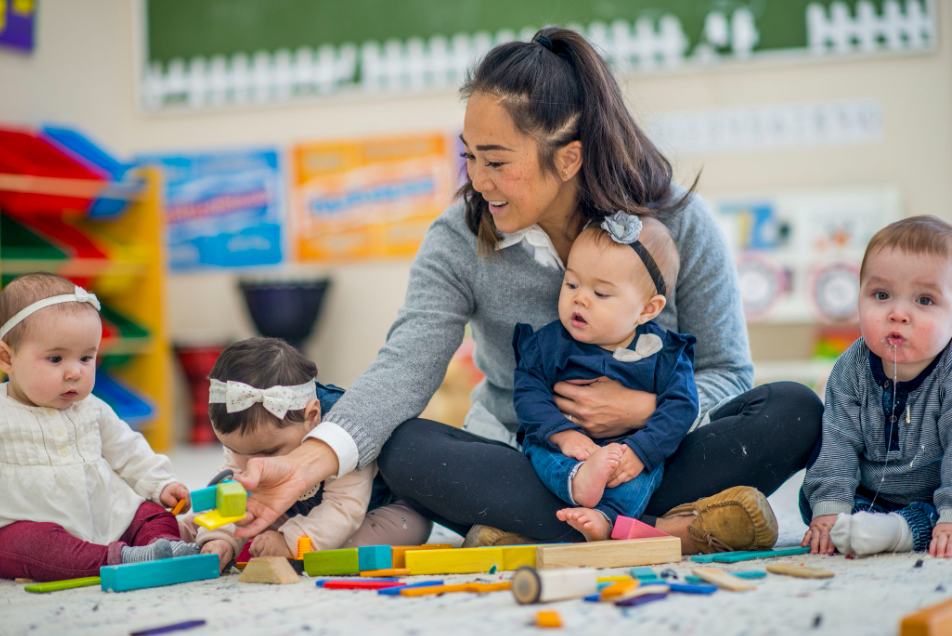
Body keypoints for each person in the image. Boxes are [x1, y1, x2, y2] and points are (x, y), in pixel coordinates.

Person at [231, 27, 822, 555]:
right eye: (470, 159)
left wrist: (645, 418)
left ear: (568, 159)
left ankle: (548, 530)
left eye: (496, 162)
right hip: (529, 460)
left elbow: (728, 372)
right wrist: (312, 459)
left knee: (794, 409)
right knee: (406, 448)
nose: (478, 181)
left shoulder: (679, 223)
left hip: (657, 454)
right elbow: (404, 365)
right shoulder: (459, 237)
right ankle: (668, 531)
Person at [0, 273, 198, 582]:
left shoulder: (92, 407)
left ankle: (162, 547)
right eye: (55, 358)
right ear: (6, 358)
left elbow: (128, 450)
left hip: (105, 513)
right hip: (32, 523)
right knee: (21, 546)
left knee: (150, 512)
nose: (75, 372)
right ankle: (121, 558)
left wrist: (160, 484)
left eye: (86, 357)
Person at [515, 214, 698, 541]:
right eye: (571, 284)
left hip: (628, 449)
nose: (579, 298)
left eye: (600, 293)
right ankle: (577, 482)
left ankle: (606, 519)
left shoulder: (664, 354)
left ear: (647, 310)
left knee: (643, 476)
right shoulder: (549, 345)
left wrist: (641, 450)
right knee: (538, 451)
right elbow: (529, 393)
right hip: (563, 447)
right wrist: (563, 435)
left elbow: (682, 407)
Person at [196, 338, 432, 572]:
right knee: (224, 521)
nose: (253, 464)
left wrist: (291, 541)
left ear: (312, 417)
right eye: (235, 450)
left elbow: (344, 508)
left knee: (385, 533)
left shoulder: (344, 430)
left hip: (374, 509)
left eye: (268, 452)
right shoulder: (253, 445)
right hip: (297, 511)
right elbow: (232, 493)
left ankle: (298, 546)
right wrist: (220, 536)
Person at [801, 216, 952, 558]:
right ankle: (862, 524)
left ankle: (900, 530)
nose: (898, 313)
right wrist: (830, 507)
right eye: (881, 295)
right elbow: (838, 440)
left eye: (924, 300)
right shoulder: (851, 367)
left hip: (936, 496)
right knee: (816, 502)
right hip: (867, 495)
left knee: (937, 518)